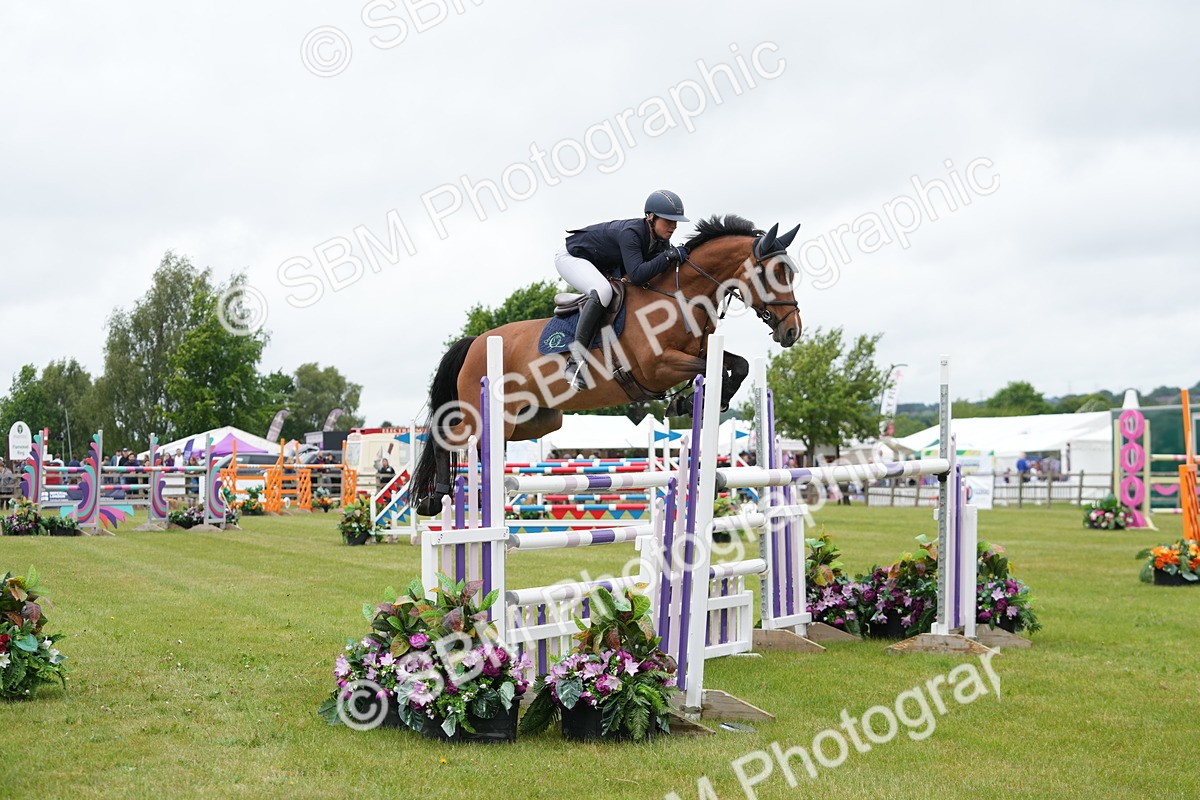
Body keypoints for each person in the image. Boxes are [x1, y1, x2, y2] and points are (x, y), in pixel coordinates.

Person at [555, 189, 690, 389]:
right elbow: (636, 275)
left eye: (676, 221)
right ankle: (575, 363)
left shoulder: (661, 241)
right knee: (603, 291)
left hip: (600, 264)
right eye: (668, 221)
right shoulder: (632, 233)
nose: (674, 226)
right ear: (650, 217)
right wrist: (669, 256)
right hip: (572, 257)